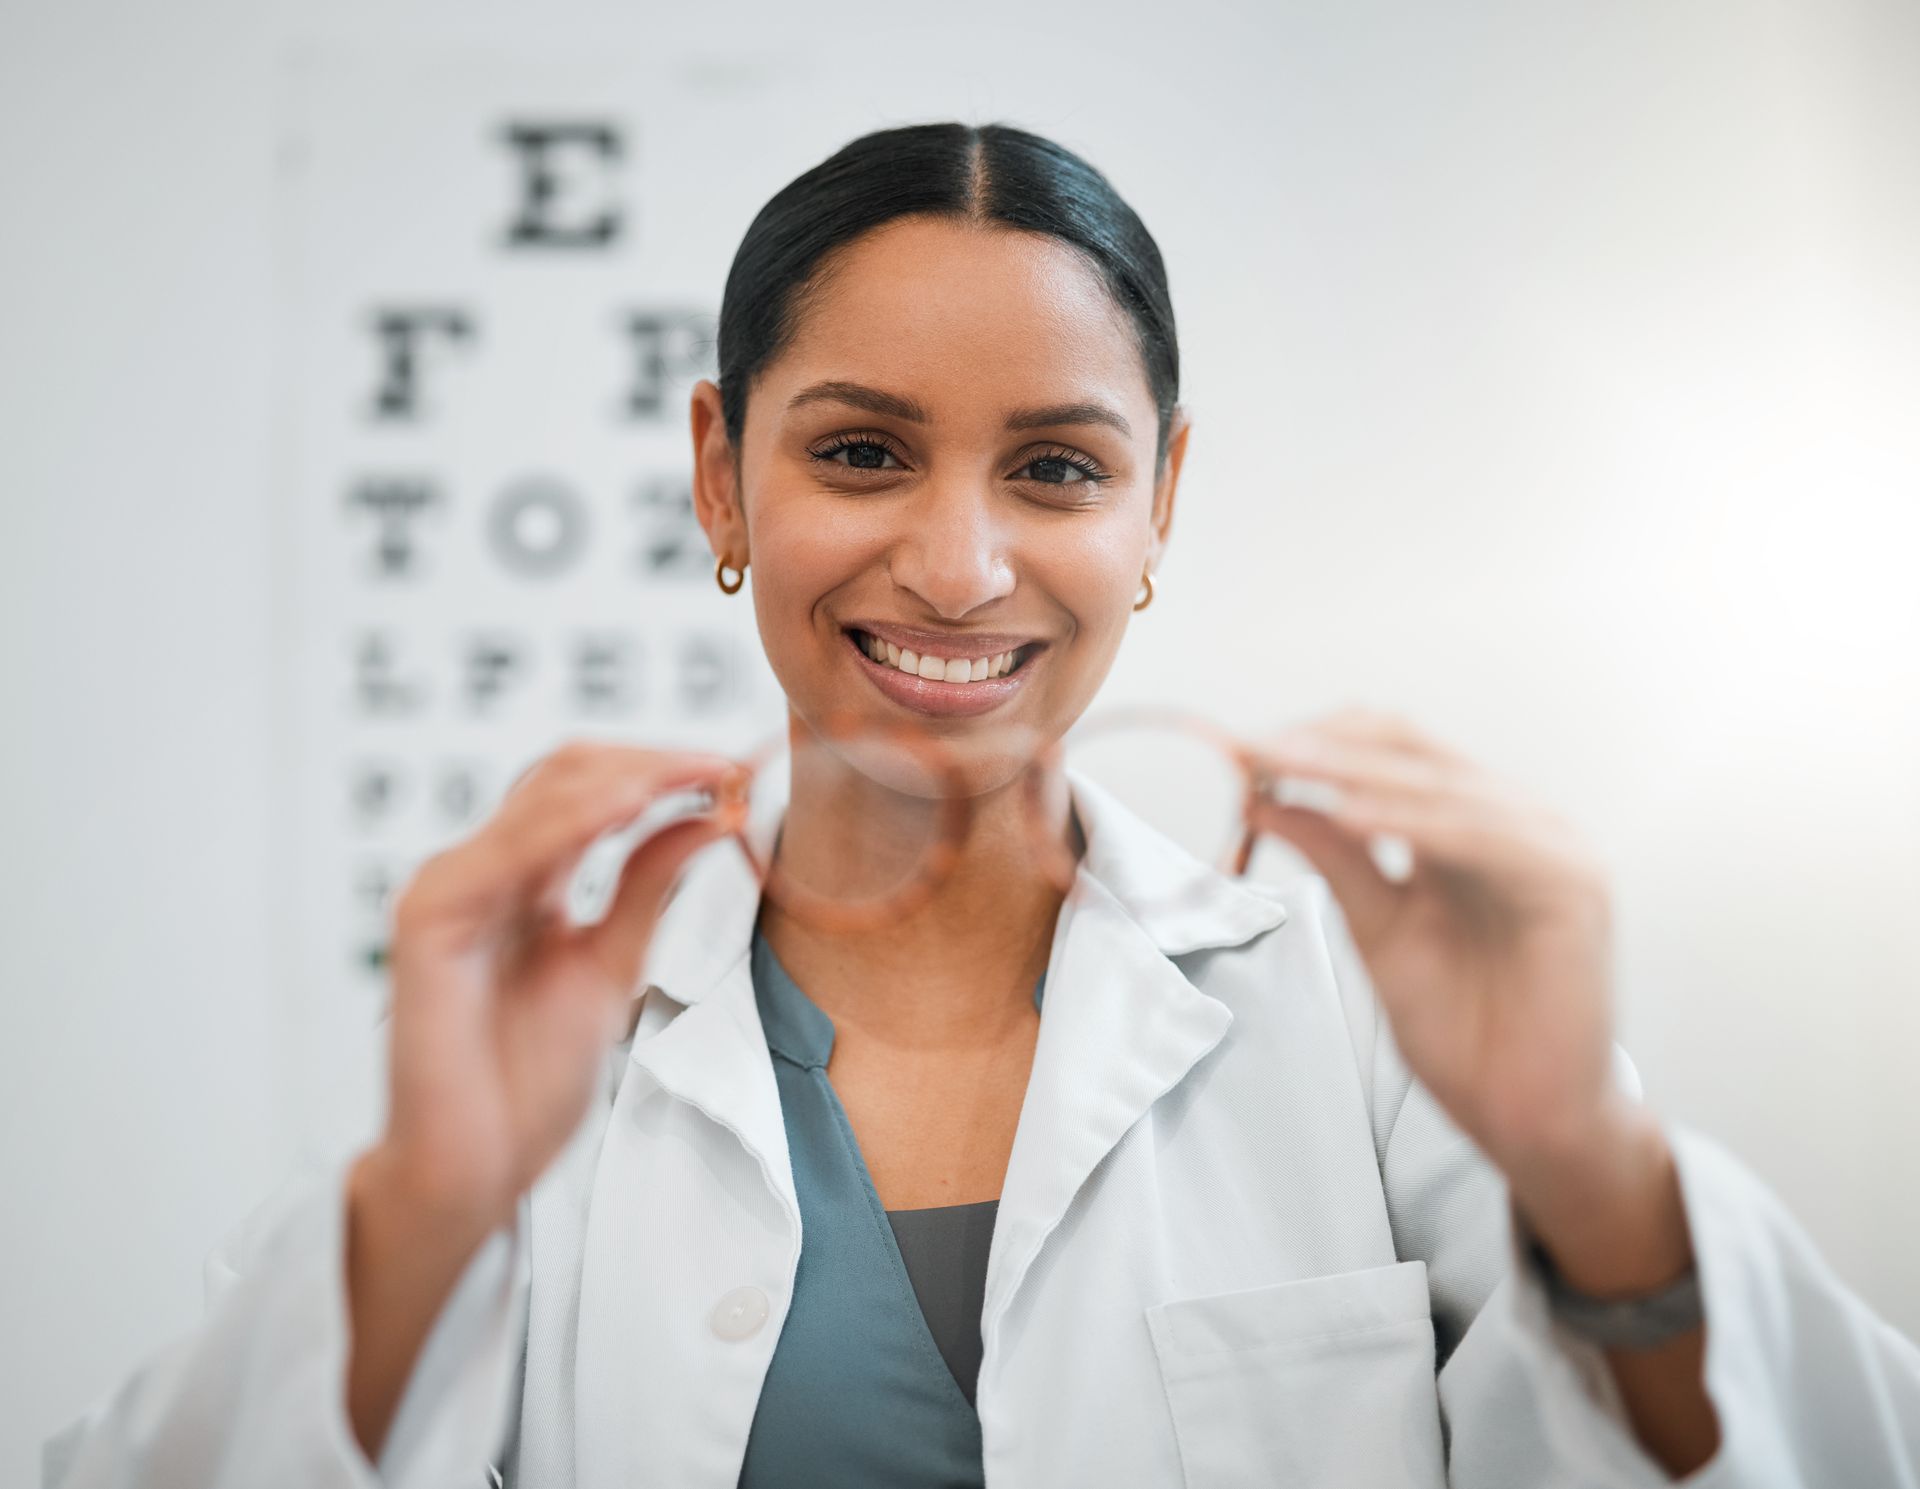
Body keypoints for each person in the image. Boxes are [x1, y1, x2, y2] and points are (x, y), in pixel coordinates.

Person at [43, 121, 1920, 1489]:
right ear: (721, 476)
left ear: (1158, 506)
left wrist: (1592, 1165)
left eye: (1055, 468)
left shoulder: (1352, 1006)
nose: (956, 564)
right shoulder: (552, 1039)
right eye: (861, 451)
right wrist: (427, 1210)